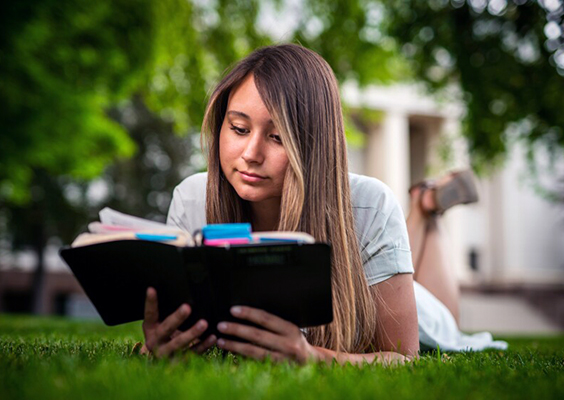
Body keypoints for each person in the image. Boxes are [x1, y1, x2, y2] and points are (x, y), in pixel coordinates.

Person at [140, 44, 507, 363]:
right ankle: (424, 204)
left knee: (444, 321)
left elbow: (404, 358)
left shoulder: (370, 204)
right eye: (239, 129)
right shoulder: (191, 198)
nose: (250, 154)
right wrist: (159, 345)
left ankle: (428, 208)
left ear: (314, 145)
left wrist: (310, 356)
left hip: (404, 303)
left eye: (278, 137)